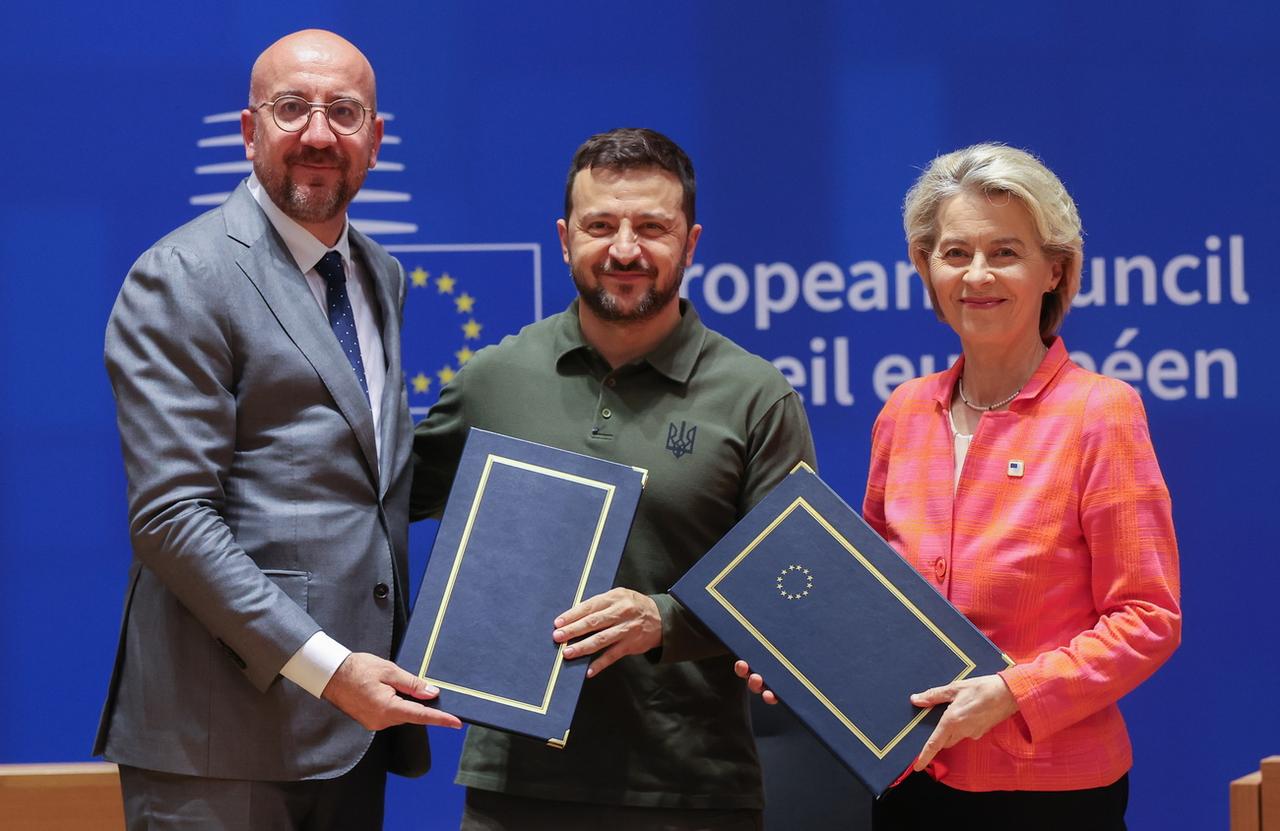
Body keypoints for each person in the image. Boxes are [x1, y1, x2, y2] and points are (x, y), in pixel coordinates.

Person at [738, 143, 1180, 830]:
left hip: (1053, 794)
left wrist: (1012, 690)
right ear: (925, 266)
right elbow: (873, 602)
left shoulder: (1102, 412)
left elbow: (1147, 619)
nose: (977, 274)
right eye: (954, 252)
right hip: (909, 778)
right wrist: (801, 660)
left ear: (1053, 270)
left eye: (1004, 252)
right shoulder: (904, 412)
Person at [97, 29, 459, 830]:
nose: (320, 134)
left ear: (377, 137)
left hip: (353, 731)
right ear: (248, 129)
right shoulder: (183, 277)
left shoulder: (378, 272)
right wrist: (329, 669)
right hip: (220, 738)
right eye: (292, 107)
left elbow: (359, 481)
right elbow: (172, 518)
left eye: (345, 111)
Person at [411, 127, 816, 830]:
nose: (625, 250)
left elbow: (798, 587)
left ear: (690, 243)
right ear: (565, 238)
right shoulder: (493, 381)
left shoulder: (755, 397)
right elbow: (370, 516)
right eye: (601, 225)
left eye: (652, 227)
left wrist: (664, 618)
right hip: (515, 785)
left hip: (693, 790)